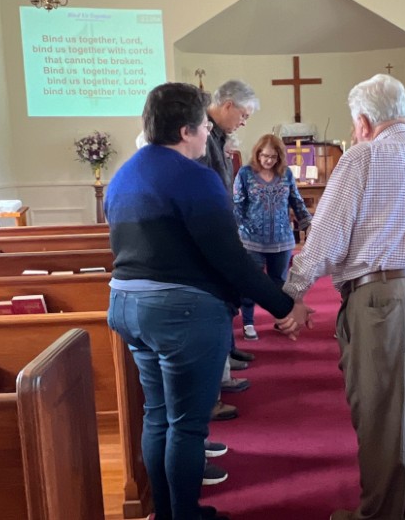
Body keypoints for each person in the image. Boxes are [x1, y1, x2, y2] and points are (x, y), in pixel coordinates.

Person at [105, 82, 310, 520]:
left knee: (158, 416)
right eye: (202, 127)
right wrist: (285, 305)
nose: (207, 135)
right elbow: (230, 259)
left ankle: (165, 513)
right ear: (185, 131)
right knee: (187, 425)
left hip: (125, 305)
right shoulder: (195, 177)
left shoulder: (123, 175)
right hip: (180, 312)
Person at [282, 74, 405, 520]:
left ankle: (381, 515)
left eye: (355, 124)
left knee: (381, 410)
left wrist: (293, 292)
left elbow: (326, 236)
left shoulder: (361, 158)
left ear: (364, 121)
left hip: (381, 296)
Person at [202, 80, 259, 397]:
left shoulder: (217, 136)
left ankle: (226, 356)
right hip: (212, 233)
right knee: (217, 304)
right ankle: (218, 377)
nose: (244, 122)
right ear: (227, 105)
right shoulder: (203, 134)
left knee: (225, 301)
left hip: (222, 226)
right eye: (243, 115)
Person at [233, 134, 312, 340]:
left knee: (280, 283)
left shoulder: (286, 174)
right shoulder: (245, 174)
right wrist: (234, 231)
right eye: (265, 156)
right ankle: (248, 322)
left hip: (281, 240)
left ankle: (281, 319)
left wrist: (308, 225)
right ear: (257, 154)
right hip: (252, 239)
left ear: (279, 157)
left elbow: (296, 201)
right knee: (251, 282)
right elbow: (238, 205)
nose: (268, 160)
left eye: (273, 157)